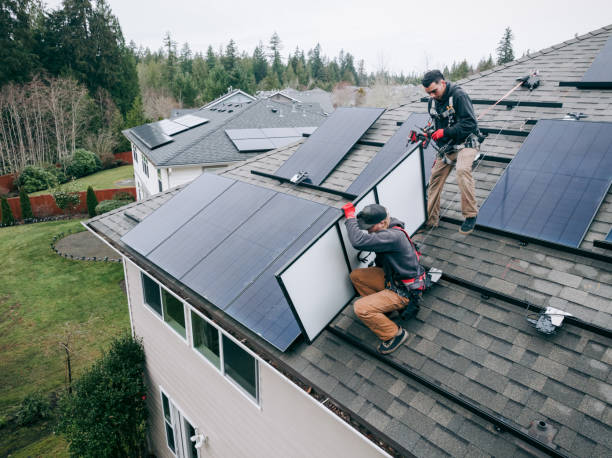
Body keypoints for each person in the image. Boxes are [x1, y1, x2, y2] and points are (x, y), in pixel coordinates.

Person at [342, 202, 426, 354]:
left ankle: (395, 334)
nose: (368, 232)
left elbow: (358, 241)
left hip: (403, 291)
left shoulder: (392, 236)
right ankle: (383, 311)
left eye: (370, 228)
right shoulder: (388, 224)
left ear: (382, 222)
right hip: (392, 279)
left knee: (361, 308)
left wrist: (350, 217)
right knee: (356, 276)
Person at [422, 69, 480, 234]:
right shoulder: (432, 102)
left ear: (443, 83)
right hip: (448, 147)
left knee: (462, 171)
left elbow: (470, 123)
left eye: (434, 91)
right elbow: (436, 123)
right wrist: (430, 133)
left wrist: (445, 132)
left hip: (467, 143)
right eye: (429, 93)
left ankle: (470, 215)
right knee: (434, 179)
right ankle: (431, 220)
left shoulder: (459, 96)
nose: (432, 95)